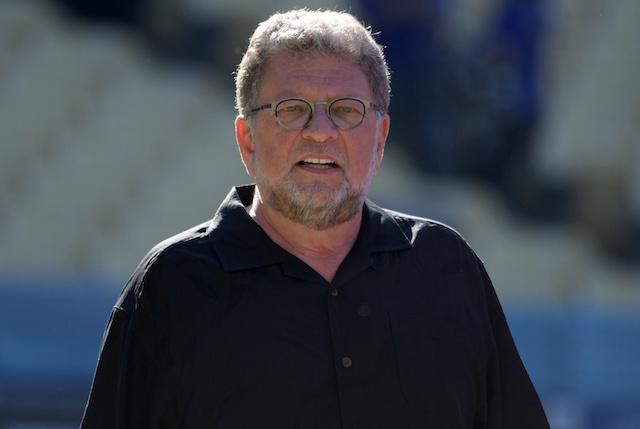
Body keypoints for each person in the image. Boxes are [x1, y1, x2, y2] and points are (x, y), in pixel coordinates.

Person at [80, 9, 550, 428]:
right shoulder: (170, 289)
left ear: (381, 137)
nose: (320, 132)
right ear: (247, 140)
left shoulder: (447, 269)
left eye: (346, 111)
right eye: (291, 111)